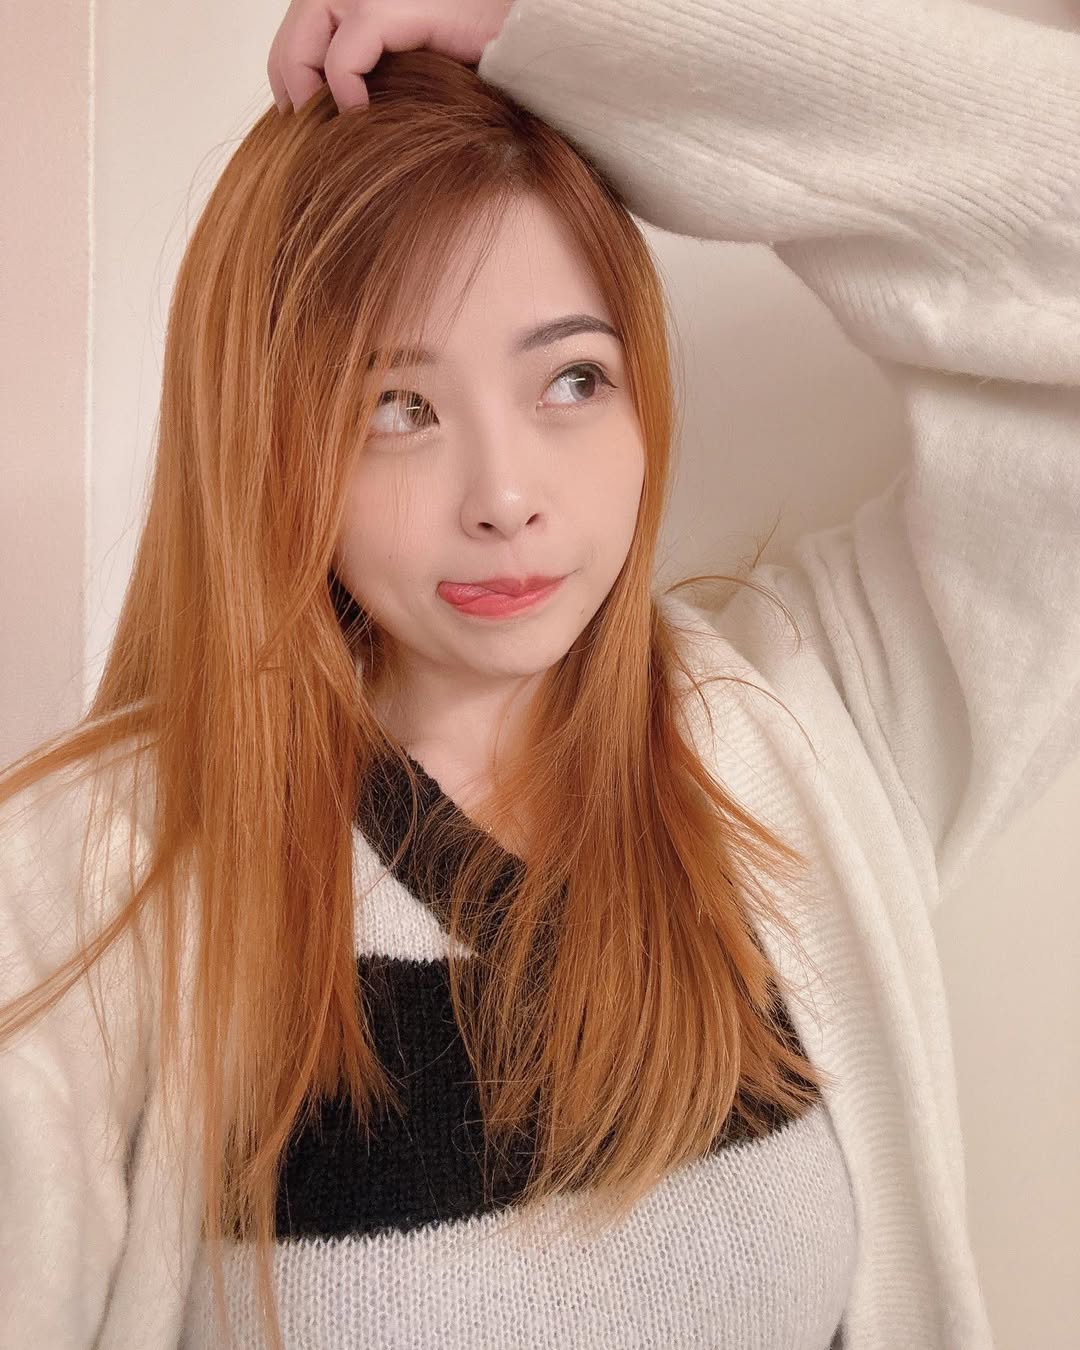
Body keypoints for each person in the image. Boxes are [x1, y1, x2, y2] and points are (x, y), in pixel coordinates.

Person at [1, 0, 1077, 1346]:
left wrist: (561, 31)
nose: (504, 496)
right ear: (272, 442)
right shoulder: (86, 894)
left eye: (572, 379)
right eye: (396, 407)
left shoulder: (807, 729)